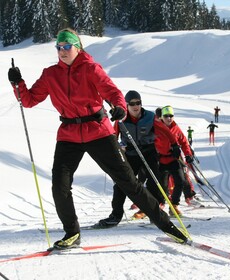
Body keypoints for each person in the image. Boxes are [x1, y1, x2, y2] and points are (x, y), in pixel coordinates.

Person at [7, 28, 188, 248]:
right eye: (59, 47)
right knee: (59, 186)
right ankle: (72, 234)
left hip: (98, 131)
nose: (62, 51)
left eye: (67, 47)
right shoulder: (50, 74)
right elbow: (28, 100)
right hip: (68, 134)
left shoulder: (91, 69)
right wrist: (18, 83)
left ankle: (167, 226)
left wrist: (120, 108)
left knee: (129, 182)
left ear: (78, 47)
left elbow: (112, 93)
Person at [97, 90, 179, 225]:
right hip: (131, 154)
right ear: (127, 105)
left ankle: (153, 211)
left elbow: (165, 130)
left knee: (155, 181)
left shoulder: (150, 117)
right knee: (122, 183)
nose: (136, 106)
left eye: (138, 103)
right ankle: (115, 215)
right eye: (132, 104)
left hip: (148, 152)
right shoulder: (121, 119)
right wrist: (113, 151)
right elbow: (113, 136)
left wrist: (175, 145)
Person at [155, 105, 199, 216]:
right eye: (166, 116)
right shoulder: (156, 127)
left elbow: (184, 142)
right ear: (161, 117)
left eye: (171, 116)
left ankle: (174, 206)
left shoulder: (176, 128)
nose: (169, 118)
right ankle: (159, 205)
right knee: (162, 185)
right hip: (161, 160)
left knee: (180, 181)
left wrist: (188, 154)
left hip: (174, 159)